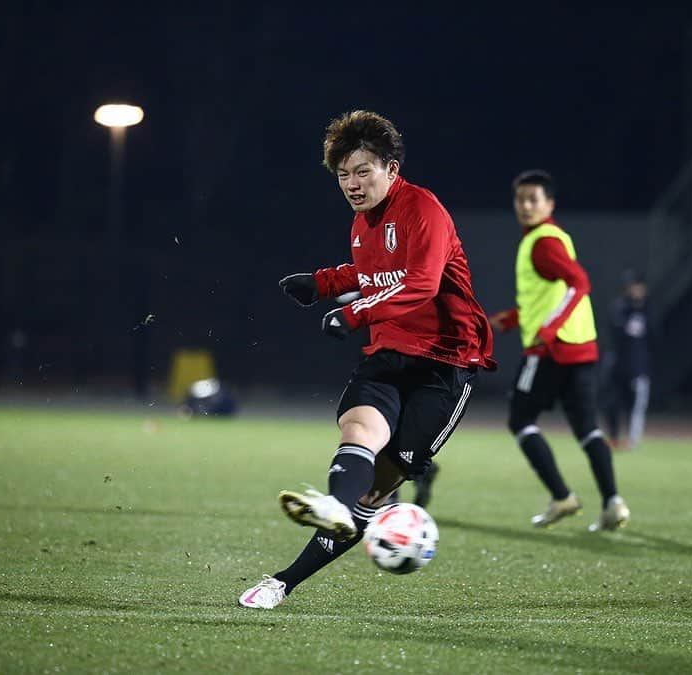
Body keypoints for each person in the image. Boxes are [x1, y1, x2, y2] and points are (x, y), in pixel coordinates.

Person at [239, 110, 496, 609]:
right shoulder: (362, 221)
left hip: (446, 363)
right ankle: (282, 580)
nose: (352, 184)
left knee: (375, 492)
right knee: (358, 432)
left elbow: (420, 283)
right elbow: (370, 271)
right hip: (390, 353)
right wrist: (321, 283)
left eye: (363, 172)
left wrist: (352, 314)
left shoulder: (424, 210)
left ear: (391, 171)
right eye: (343, 175)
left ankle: (333, 523)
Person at [489, 170, 630, 532]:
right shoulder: (554, 237)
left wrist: (547, 330)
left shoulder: (541, 242)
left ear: (549, 204)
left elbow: (579, 283)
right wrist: (513, 318)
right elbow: (549, 297)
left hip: (550, 351)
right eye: (520, 199)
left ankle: (562, 496)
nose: (525, 205)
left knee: (520, 420)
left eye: (533, 199)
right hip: (581, 349)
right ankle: (613, 503)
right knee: (587, 429)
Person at [602, 269, 651, 450]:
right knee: (612, 403)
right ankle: (614, 437)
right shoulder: (619, 308)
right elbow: (616, 335)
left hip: (638, 366)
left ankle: (632, 440)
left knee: (636, 405)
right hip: (618, 365)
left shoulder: (648, 309)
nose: (636, 290)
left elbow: (654, 337)